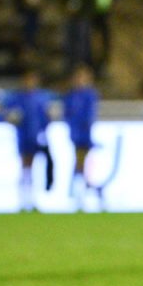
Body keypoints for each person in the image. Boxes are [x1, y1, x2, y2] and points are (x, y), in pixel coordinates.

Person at [0, 68, 52, 212]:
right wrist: (11, 117)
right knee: (24, 168)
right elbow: (5, 113)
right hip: (23, 137)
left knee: (33, 168)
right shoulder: (17, 98)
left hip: (35, 137)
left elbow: (46, 118)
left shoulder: (41, 98)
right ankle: (23, 200)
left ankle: (32, 199)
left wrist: (44, 130)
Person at [63, 64, 98, 207]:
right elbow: (67, 115)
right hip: (75, 134)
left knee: (82, 162)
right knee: (80, 162)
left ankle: (80, 192)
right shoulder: (71, 96)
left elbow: (90, 115)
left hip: (85, 135)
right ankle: (81, 192)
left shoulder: (89, 95)